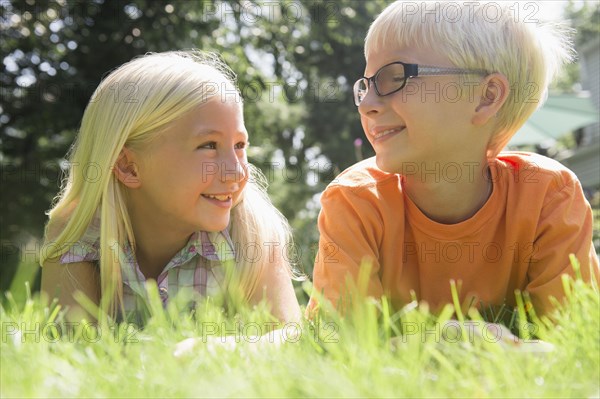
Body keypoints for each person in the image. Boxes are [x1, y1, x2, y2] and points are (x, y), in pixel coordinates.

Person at [308, 1, 599, 319]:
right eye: (366, 85)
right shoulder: (355, 202)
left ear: (486, 97)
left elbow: (571, 339)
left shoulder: (548, 195)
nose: (367, 105)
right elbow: (350, 345)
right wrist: (464, 341)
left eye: (395, 77)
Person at [40, 50, 300, 323]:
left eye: (239, 145)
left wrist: (219, 348)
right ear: (129, 166)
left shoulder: (251, 232)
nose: (236, 171)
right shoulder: (77, 234)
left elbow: (289, 336)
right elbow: (70, 343)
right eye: (208, 146)